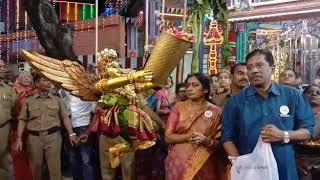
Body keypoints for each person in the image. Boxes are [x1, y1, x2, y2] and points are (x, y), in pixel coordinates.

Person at [221, 49, 315, 180]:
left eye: (259, 65)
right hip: (250, 170)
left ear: (272, 68)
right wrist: (239, 164)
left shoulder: (292, 95)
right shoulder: (236, 102)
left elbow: (308, 130)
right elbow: (227, 137)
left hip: (284, 167)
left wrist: (284, 135)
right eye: (250, 67)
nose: (254, 71)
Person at [165, 73, 229, 180]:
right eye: (188, 85)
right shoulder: (178, 107)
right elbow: (168, 137)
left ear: (205, 90)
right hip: (177, 162)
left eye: (195, 85)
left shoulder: (216, 112)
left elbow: (220, 143)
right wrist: (191, 136)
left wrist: (206, 141)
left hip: (205, 163)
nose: (189, 89)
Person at [15, 74, 78, 180]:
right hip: (34, 139)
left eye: (49, 80)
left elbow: (65, 117)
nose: (49, 82)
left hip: (53, 138)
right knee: (36, 168)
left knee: (55, 169)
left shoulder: (57, 98)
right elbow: (22, 120)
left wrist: (71, 133)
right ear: (36, 84)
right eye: (45, 80)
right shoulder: (29, 99)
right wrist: (19, 139)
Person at [62, 90, 96, 180]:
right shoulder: (64, 90)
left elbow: (94, 109)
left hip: (84, 126)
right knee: (74, 158)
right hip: (69, 126)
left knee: (84, 159)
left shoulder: (88, 90)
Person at [10, 71, 34, 180]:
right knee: (18, 154)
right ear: (19, 79)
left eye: (28, 76)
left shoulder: (36, 90)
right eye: (23, 76)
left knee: (33, 155)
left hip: (33, 127)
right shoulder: (13, 90)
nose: (26, 78)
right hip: (16, 126)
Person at [295, 85, 320, 180]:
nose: (314, 94)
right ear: (302, 96)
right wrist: (295, 161)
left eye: (318, 93)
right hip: (299, 158)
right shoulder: (293, 115)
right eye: (310, 92)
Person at [0, 59, 18, 180]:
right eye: (0, 66)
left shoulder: (9, 88)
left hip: (4, 129)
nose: (3, 68)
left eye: (3, 66)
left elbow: (14, 107)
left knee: (4, 160)